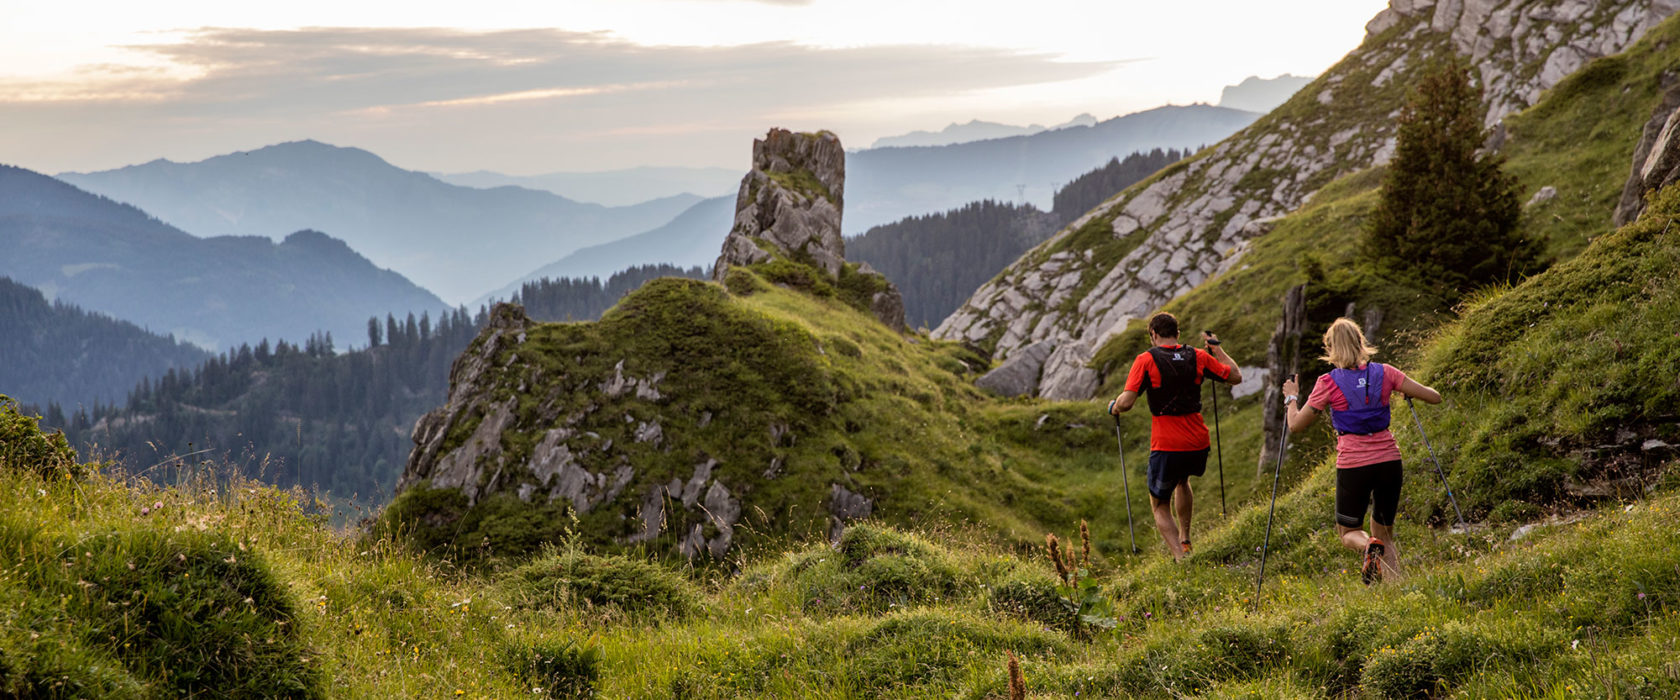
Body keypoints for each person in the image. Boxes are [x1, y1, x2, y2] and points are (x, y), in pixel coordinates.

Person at [1282, 317, 1442, 585]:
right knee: (1385, 534)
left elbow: (1296, 425)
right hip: (1389, 461)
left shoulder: (1328, 382)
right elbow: (1434, 396)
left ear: (1332, 348)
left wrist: (1291, 398)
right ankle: (1395, 588)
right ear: (1360, 342)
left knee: (1349, 532)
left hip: (1354, 464)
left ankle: (1368, 546)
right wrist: (1404, 391)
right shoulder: (1387, 372)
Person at [1109, 312, 1241, 561]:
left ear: (1153, 335)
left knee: (1159, 504)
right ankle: (1186, 539)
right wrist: (1216, 349)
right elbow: (1235, 376)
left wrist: (1114, 406)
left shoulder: (1146, 359)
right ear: (1177, 335)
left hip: (1167, 443)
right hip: (1198, 441)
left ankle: (1181, 558)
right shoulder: (1198, 356)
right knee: (1182, 481)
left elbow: (1126, 403)